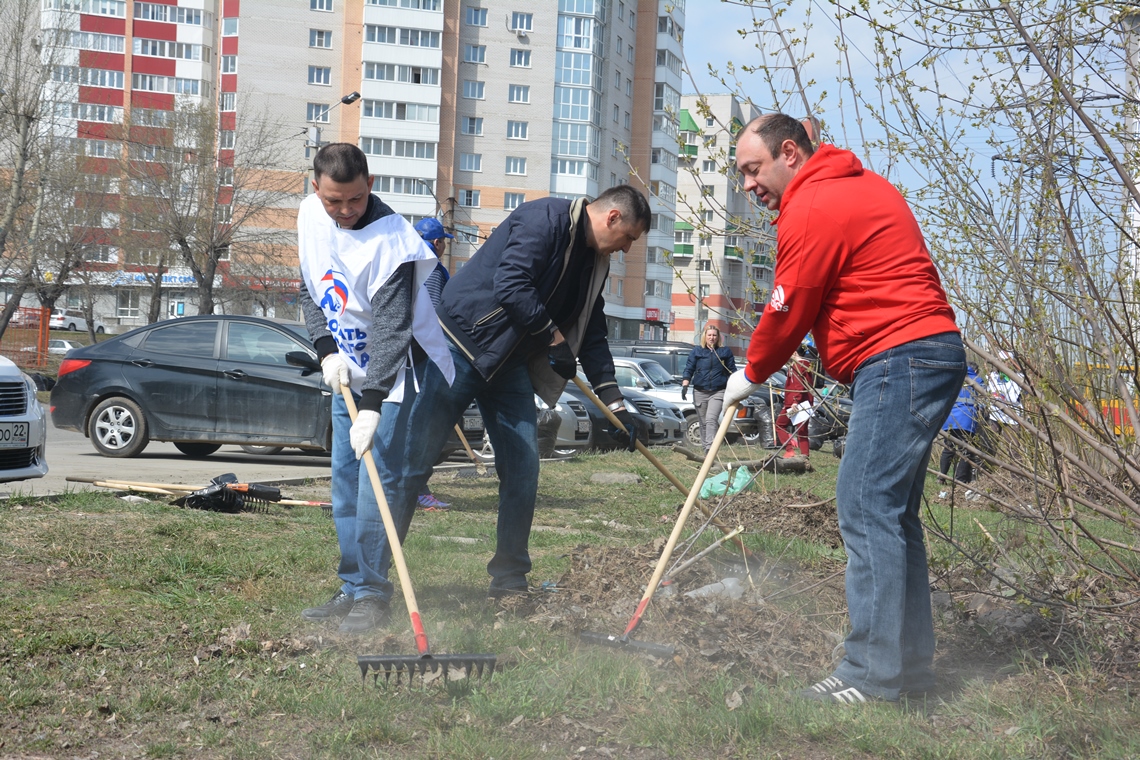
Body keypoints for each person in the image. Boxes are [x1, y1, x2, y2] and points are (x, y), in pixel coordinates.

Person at [723, 114, 965, 703]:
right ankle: (909, 675)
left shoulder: (813, 205)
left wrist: (751, 372)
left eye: (754, 170)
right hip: (925, 351)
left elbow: (788, 306)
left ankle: (869, 677)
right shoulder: (857, 184)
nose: (749, 186)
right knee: (893, 515)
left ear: (789, 152)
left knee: (863, 504)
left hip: (899, 355)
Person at [380, 185, 650, 602]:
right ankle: (373, 579)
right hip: (458, 346)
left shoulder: (594, 264)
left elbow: (592, 333)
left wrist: (617, 405)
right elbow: (511, 283)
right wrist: (554, 339)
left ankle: (508, 580)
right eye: (629, 238)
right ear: (612, 217)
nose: (626, 249)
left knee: (523, 470)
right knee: (413, 464)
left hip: (508, 365)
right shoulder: (545, 220)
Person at [295, 143, 454, 633]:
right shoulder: (309, 216)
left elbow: (391, 329)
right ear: (316, 188)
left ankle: (373, 593)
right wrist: (325, 350)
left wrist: (372, 405)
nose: (344, 211)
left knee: (374, 488)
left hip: (392, 379)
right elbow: (308, 285)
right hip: (344, 371)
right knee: (343, 484)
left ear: (370, 184)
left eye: (355, 200)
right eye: (333, 201)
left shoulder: (392, 240)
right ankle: (351, 586)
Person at [412, 217, 456, 511]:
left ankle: (411, 487)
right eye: (444, 242)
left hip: (405, 356)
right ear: (438, 243)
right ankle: (417, 489)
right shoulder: (432, 267)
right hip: (423, 358)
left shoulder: (408, 261)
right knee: (420, 427)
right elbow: (432, 317)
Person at [680, 324, 737, 452]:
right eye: (709, 335)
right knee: (703, 422)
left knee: (711, 419)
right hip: (700, 391)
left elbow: (732, 371)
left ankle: (711, 450)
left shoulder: (724, 351)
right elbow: (689, 368)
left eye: (714, 335)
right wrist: (685, 385)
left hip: (718, 391)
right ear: (705, 336)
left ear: (718, 337)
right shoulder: (697, 351)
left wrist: (736, 386)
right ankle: (706, 450)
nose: (712, 338)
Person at [938, 365, 981, 498]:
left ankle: (941, 477)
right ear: (976, 370)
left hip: (950, 418)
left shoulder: (954, 376)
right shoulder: (977, 380)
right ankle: (960, 479)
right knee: (965, 449)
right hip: (967, 419)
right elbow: (983, 400)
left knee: (948, 448)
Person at [776, 343, 814, 459]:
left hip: (797, 404)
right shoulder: (799, 365)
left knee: (780, 425)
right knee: (802, 431)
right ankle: (804, 456)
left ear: (794, 352)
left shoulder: (800, 365)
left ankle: (791, 451)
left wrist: (794, 401)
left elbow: (799, 385)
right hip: (795, 402)